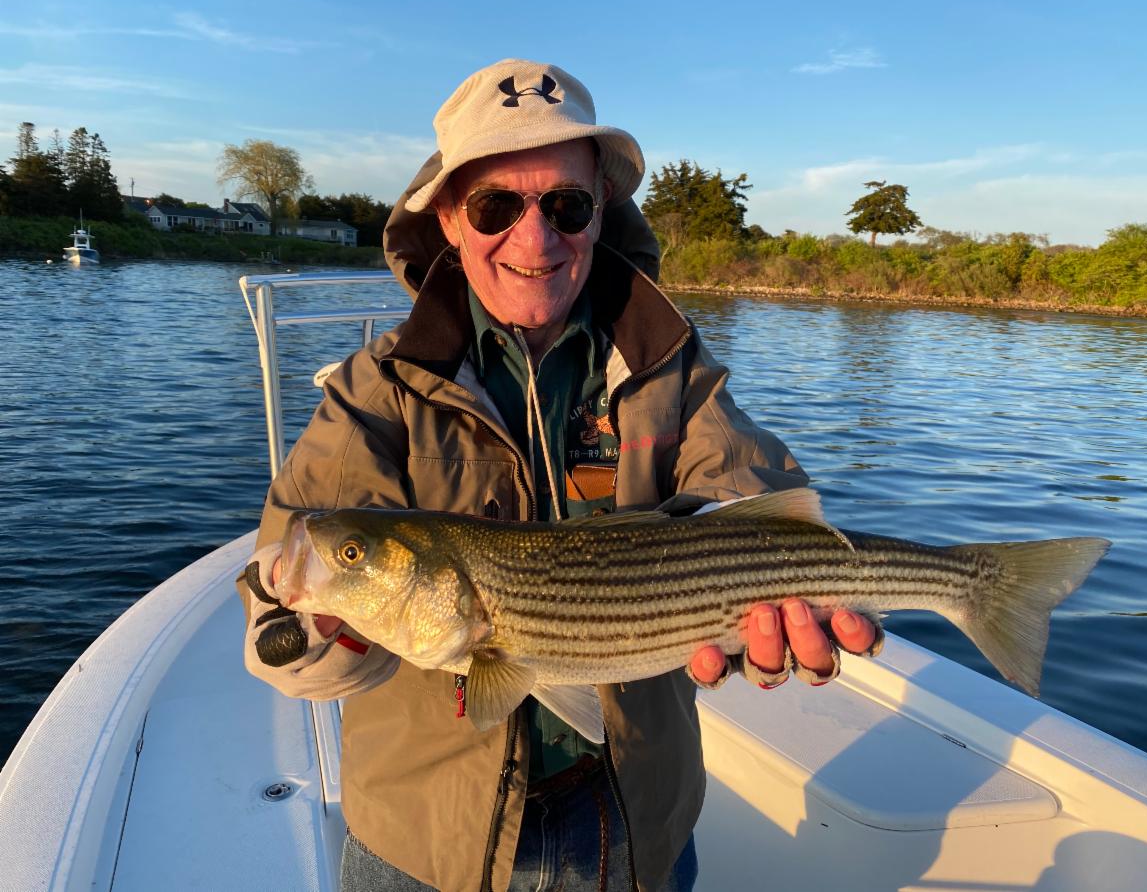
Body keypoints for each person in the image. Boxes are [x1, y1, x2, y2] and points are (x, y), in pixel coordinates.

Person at [237, 59, 881, 892]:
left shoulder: (667, 363)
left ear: (600, 211)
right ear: (449, 220)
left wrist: (760, 579)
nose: (535, 239)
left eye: (567, 205)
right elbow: (282, 639)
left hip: (635, 815)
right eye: (494, 207)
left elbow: (742, 481)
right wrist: (328, 627)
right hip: (425, 837)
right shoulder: (377, 391)